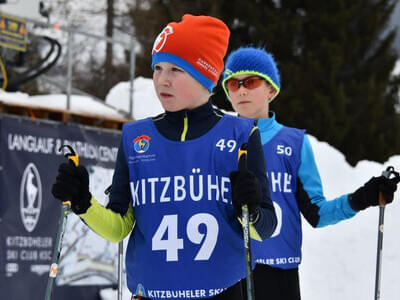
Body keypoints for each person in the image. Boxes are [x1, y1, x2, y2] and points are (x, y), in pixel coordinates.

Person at [51, 16, 277, 300]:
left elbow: (265, 228)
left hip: (222, 293)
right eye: (157, 68)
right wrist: (83, 203)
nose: (162, 80)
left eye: (176, 69)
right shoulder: (135, 138)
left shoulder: (241, 135)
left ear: (205, 74)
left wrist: (251, 210)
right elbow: (118, 228)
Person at [221, 46, 400, 300]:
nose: (240, 90)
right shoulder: (219, 140)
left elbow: (317, 213)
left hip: (279, 274)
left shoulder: (294, 143)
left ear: (271, 90)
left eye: (250, 81)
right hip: (231, 274)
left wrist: (363, 197)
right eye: (232, 84)